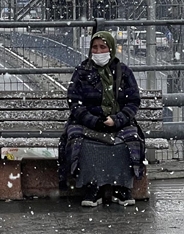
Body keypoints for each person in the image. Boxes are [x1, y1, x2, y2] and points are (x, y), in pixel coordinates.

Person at [58, 30, 145, 207]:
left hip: (118, 122)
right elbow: (74, 102)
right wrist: (93, 120)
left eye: (103, 47)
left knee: (130, 140)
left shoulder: (124, 72)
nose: (98, 52)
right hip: (87, 122)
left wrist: (118, 119)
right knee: (79, 141)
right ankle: (92, 186)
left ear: (111, 49)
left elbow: (133, 101)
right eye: (95, 48)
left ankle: (122, 186)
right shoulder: (82, 72)